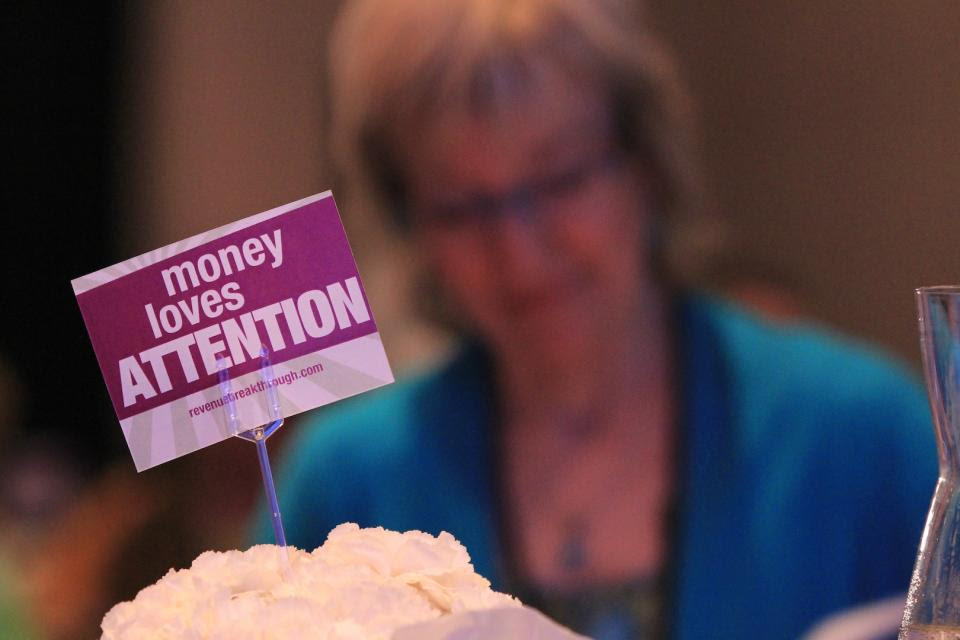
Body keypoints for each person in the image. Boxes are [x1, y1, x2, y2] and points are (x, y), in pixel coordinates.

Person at [252, 0, 937, 638]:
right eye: (461, 207)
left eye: (560, 178)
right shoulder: (345, 481)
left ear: (646, 161)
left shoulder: (866, 437)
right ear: (410, 224)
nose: (518, 255)